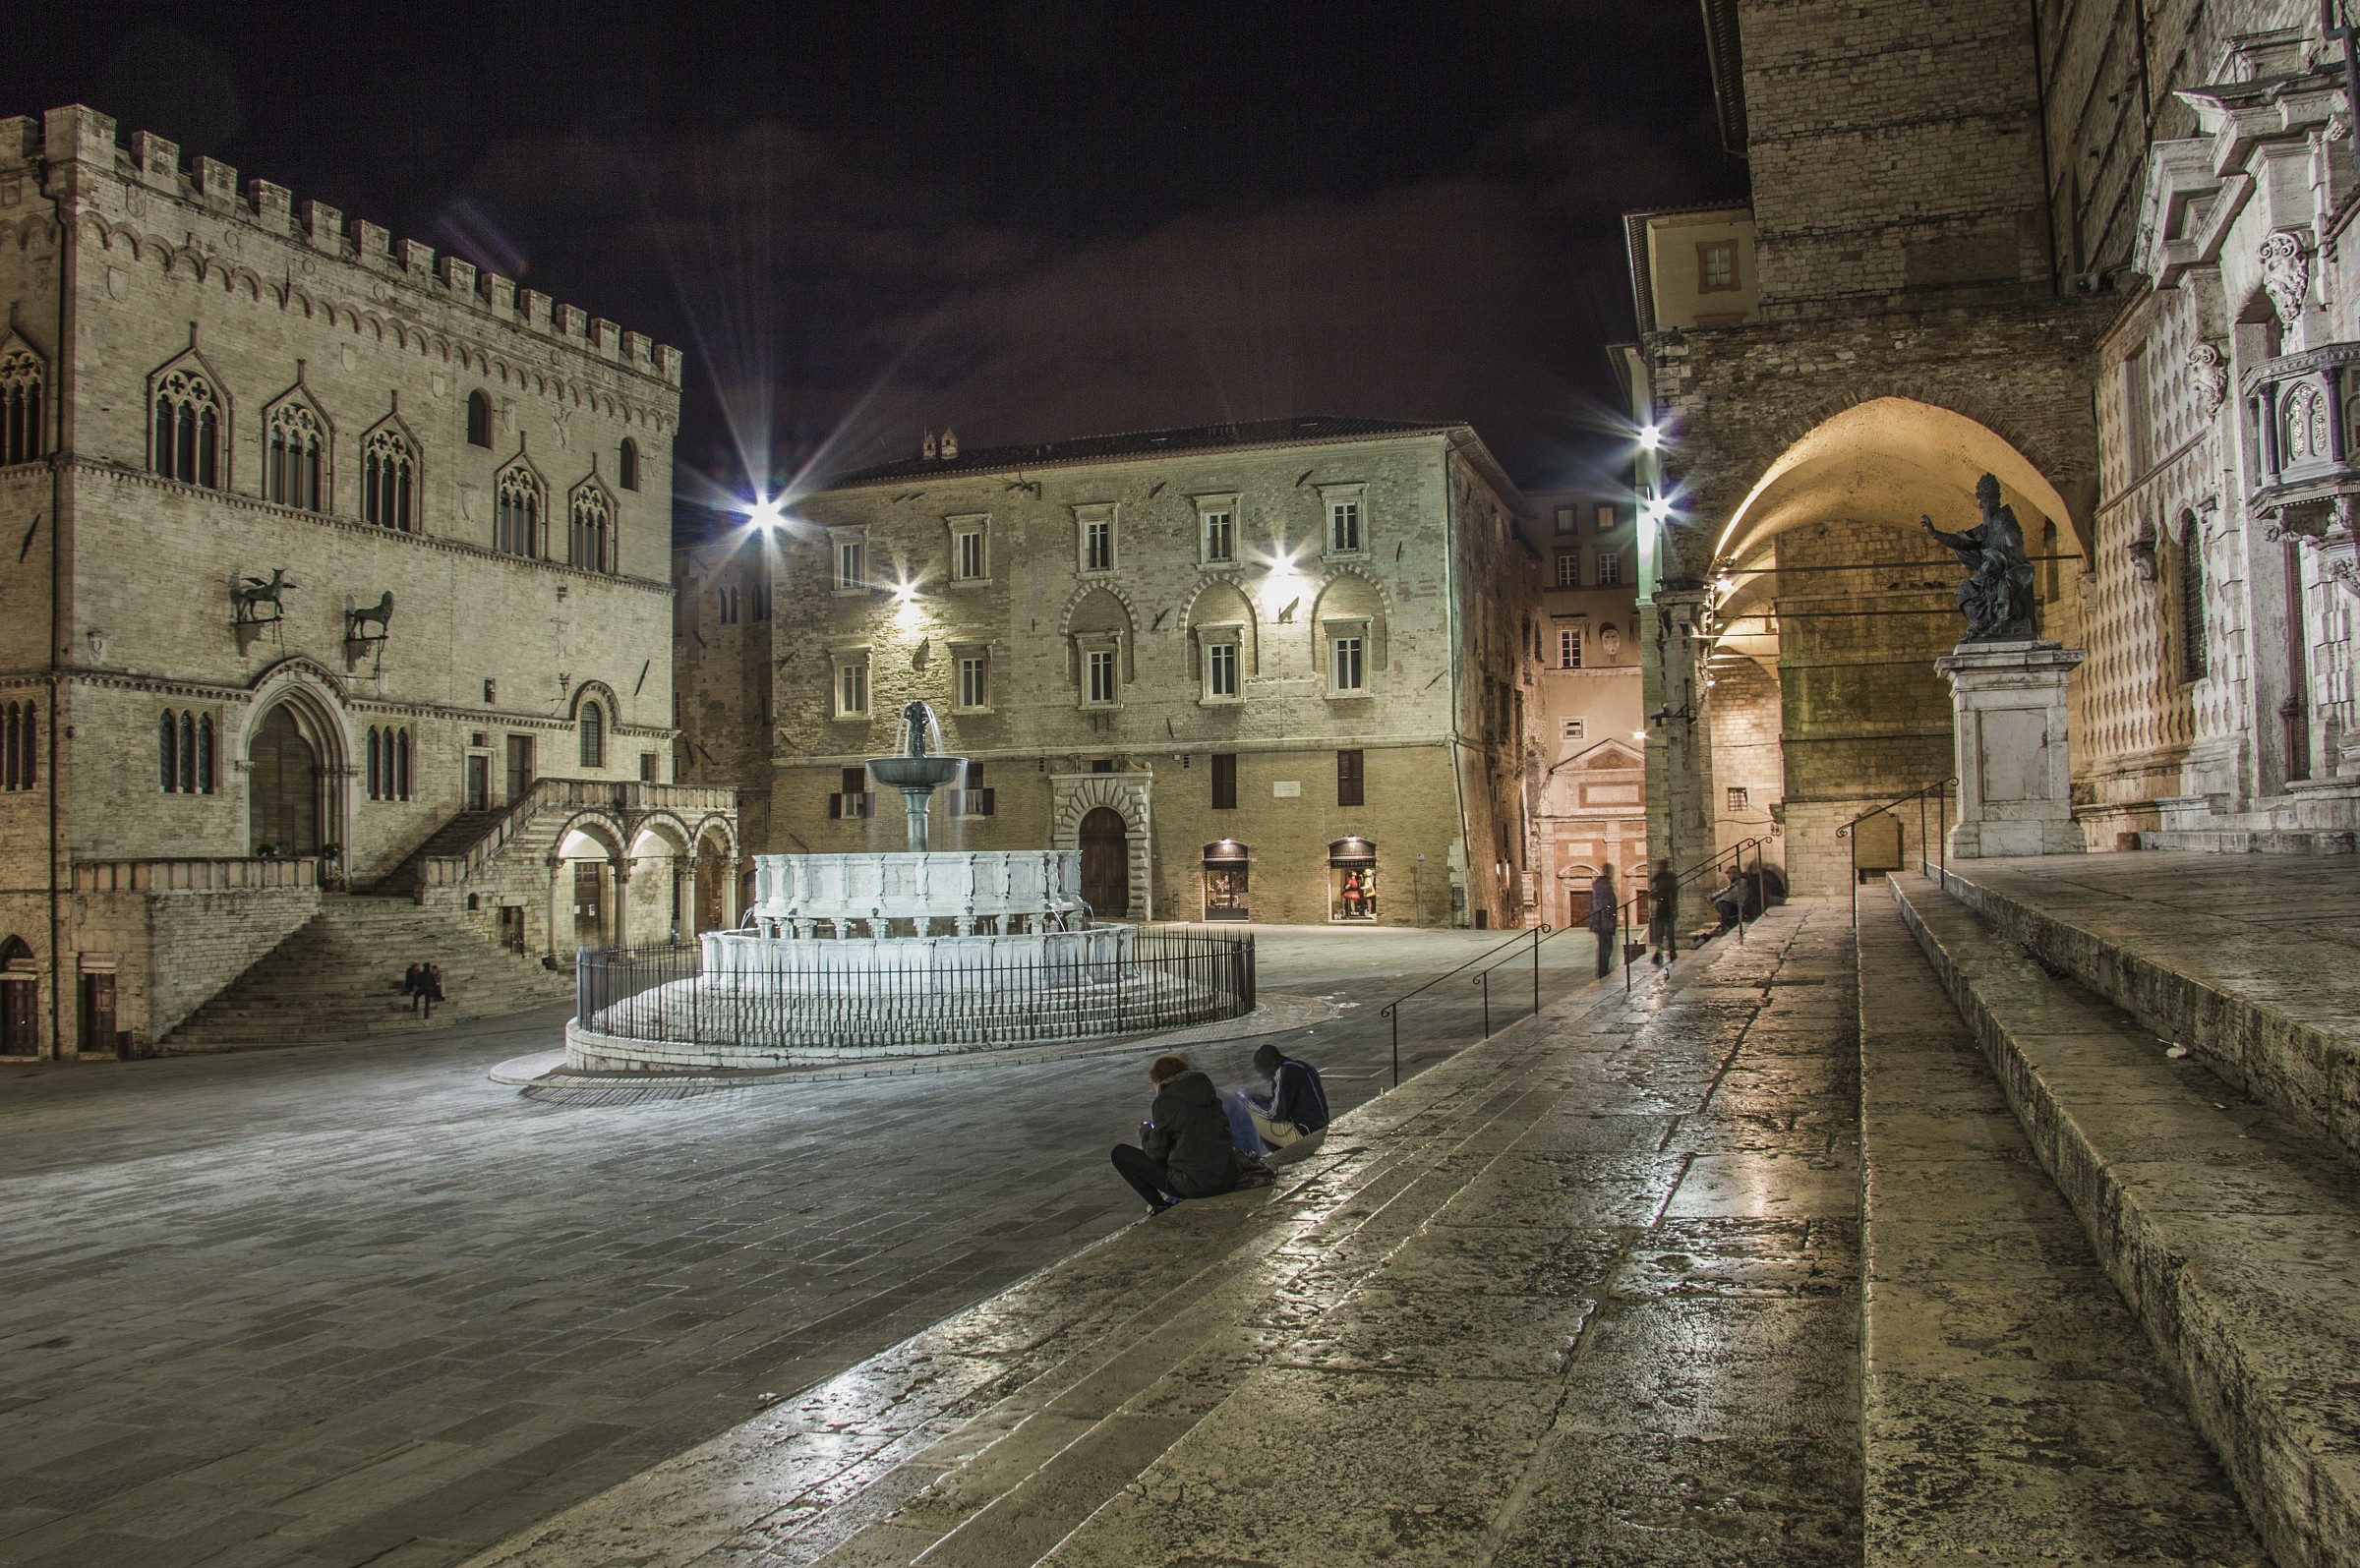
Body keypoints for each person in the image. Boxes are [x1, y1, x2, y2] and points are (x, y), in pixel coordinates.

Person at [1111, 1054, 1242, 1215]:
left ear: (1159, 1081)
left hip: (1196, 1185)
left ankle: (1160, 1206)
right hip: (1227, 1178)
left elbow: (1156, 1153)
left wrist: (1145, 1133)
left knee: (1120, 1154)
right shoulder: (1207, 1091)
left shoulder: (1165, 1101)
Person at [1244, 1044, 1329, 1155]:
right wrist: (1264, 1100)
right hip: (1321, 1127)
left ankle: (1272, 1154)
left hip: (1305, 1134)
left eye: (1262, 1071)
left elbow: (1274, 1114)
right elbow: (1289, 1101)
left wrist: (1248, 1102)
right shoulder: (1302, 1066)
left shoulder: (1283, 1072)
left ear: (1269, 1066)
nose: (1263, 1076)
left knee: (1248, 1115)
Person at [1587, 868, 1619, 978]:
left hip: (1600, 922)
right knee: (1606, 947)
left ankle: (1603, 970)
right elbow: (1605, 905)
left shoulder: (1599, 886)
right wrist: (1609, 920)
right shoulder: (1605, 887)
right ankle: (1602, 970)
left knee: (1604, 947)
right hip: (1604, 922)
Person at [1646, 861, 1678, 967]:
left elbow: (1672, 893)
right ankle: (1664, 952)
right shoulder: (1662, 878)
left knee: (1667, 932)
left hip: (1666, 906)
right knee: (1662, 932)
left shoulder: (1666, 879)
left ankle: (1668, 951)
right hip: (1663, 907)